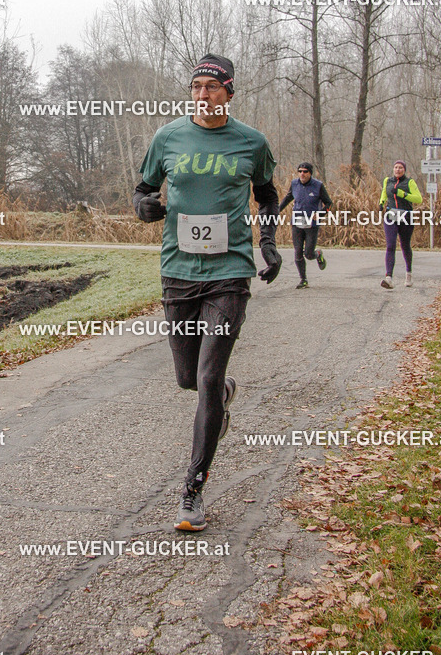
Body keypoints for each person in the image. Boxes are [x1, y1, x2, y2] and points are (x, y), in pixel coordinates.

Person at [133, 54, 282, 532]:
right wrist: (146, 209)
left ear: (229, 92)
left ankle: (192, 492)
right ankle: (221, 393)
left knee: (209, 375)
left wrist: (269, 243)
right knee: (188, 380)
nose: (202, 94)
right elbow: (141, 190)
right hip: (178, 271)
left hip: (229, 273)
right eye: (196, 86)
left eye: (212, 87)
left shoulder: (250, 142)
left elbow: (269, 194)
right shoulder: (168, 137)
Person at [278, 162, 333, 288]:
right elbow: (287, 198)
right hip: (297, 222)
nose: (302, 174)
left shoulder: (318, 186)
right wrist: (276, 211)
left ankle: (317, 254)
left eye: (305, 171)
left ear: (310, 173)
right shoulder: (294, 184)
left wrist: (320, 213)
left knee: (308, 254)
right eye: (300, 171)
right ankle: (303, 280)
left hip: (311, 224)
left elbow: (329, 204)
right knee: (297, 252)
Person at [379, 160, 422, 288]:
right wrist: (381, 202)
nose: (398, 170)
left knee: (405, 245)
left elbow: (418, 198)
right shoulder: (388, 181)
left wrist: (403, 194)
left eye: (400, 168)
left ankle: (408, 274)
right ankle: (389, 278)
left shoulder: (409, 182)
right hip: (391, 215)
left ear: (404, 170)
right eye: (396, 167)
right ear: (393, 169)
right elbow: (384, 193)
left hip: (406, 216)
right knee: (390, 245)